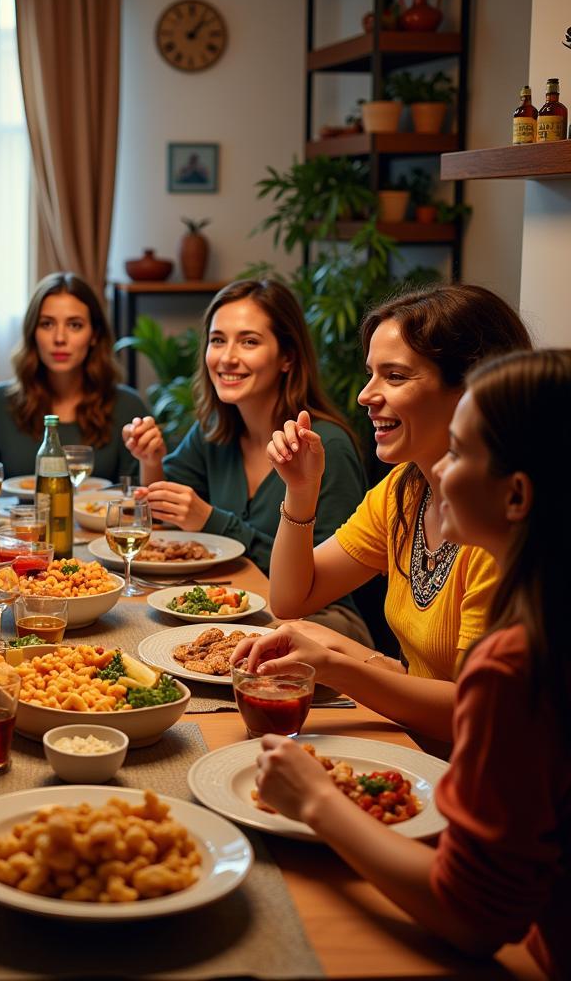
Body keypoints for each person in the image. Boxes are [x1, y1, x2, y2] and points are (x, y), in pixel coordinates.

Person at [250, 349, 570, 978]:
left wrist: (316, 799)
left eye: (459, 449)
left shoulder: (516, 660)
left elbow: (474, 918)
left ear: (516, 496)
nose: (439, 469)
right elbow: (291, 597)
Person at [245, 284, 532, 742]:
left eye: (395, 376)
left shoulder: (501, 526)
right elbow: (292, 598)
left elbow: (479, 715)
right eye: (371, 374)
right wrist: (301, 491)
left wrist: (343, 666)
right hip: (411, 741)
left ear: (473, 389)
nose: (365, 395)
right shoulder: (405, 489)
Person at [122, 279, 370, 641]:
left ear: (287, 357)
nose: (227, 357)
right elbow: (158, 518)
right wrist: (151, 460)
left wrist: (214, 521)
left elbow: (322, 580)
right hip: (234, 608)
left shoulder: (324, 447)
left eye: (249, 341)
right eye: (218, 340)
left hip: (319, 625)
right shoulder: (215, 430)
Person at [0, 272, 149, 479]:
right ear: (32, 333)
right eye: (47, 324)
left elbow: (142, 498)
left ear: (94, 335)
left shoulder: (128, 407)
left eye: (75, 325)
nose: (59, 338)